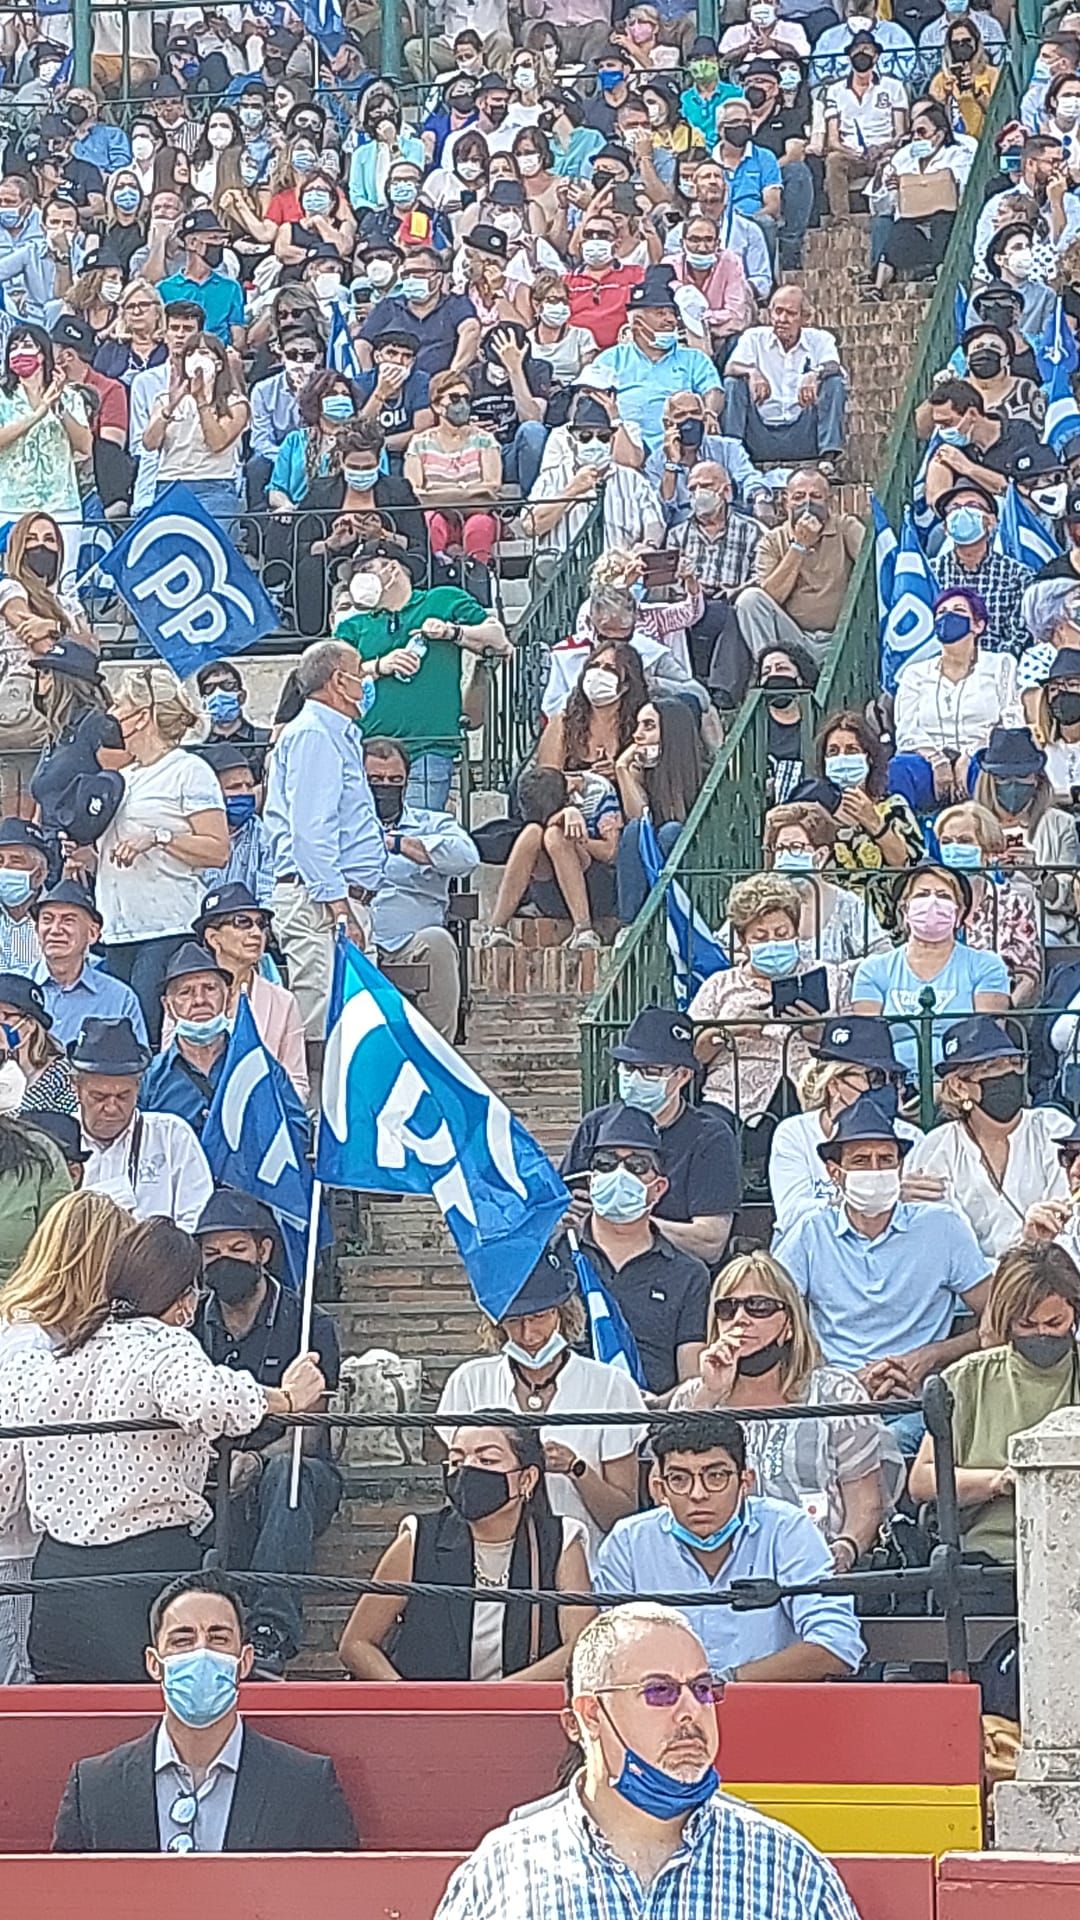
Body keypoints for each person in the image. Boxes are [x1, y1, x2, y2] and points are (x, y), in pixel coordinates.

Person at [0, 1217, 326, 1684]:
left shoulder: (54, 1356)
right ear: (184, 1298)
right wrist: (287, 1397)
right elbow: (212, 1401)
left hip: (57, 1576)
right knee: (151, 1723)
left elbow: (7, 1469)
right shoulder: (163, 1347)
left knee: (68, 1723)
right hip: (145, 1569)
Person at [434, 1602, 863, 1919]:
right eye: (660, 1691)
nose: (690, 1712)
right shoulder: (505, 1869)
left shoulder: (784, 1865)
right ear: (589, 1716)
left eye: (702, 1689)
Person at [52, 1570, 359, 1849]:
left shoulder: (305, 1785)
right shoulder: (94, 1788)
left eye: (219, 1638)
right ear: (154, 1664)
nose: (202, 1652)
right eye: (182, 1640)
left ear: (245, 1661)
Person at [773, 1092, 991, 1449]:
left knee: (890, 1442)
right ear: (835, 1172)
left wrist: (931, 1356)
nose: (875, 1170)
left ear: (900, 1167)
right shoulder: (810, 1231)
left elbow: (1000, 1316)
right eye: (861, 1161)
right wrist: (841, 1380)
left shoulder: (942, 1226)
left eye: (885, 1160)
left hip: (919, 1402)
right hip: (834, 1402)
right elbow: (770, 1319)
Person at [192, 1191, 341, 1677]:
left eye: (236, 1250)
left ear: (263, 1251)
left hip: (291, 1466)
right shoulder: (189, 1326)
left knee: (287, 1473)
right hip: (208, 1471)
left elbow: (314, 1430)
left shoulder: (306, 1323)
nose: (223, 1263)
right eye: (211, 1254)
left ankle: (269, 1632)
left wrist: (254, 1461)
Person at [596, 1414, 864, 1678]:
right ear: (660, 1488)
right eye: (679, 1479)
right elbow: (611, 1655)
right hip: (661, 1710)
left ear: (746, 1481)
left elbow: (837, 1645)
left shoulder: (787, 1529)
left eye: (716, 1477)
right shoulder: (628, 1543)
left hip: (769, 1707)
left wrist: (728, 1683)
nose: (698, 1494)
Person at [437, 1236, 646, 1563]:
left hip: (588, 1564)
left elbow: (622, 1516)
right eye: (515, 1321)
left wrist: (576, 1469)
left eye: (540, 1317)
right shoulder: (469, 1381)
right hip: (491, 1564)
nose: (529, 1335)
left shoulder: (611, 1387)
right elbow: (457, 1494)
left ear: (564, 1314)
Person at [339, 1415, 595, 1681]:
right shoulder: (420, 1538)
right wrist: (409, 1700)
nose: (468, 1470)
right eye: (457, 1460)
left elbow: (581, 1647)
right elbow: (357, 1644)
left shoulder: (561, 1540)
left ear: (527, 1479)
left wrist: (499, 1697)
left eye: (487, 1461)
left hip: (517, 1715)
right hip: (430, 1714)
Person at [0, 1189, 127, 1684]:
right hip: (12, 1554)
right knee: (15, 1686)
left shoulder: (40, 1337)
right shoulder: (28, 1345)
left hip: (29, 1549)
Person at [909, 1243, 1080, 1565]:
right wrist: (997, 1482)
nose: (1042, 1333)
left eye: (1054, 1322)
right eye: (1027, 1326)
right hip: (988, 1559)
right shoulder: (965, 1379)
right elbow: (921, 1480)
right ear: (1006, 1319)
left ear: (1074, 1311)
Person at [95, 666, 229, 1046]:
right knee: (121, 1038)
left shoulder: (189, 770)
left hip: (167, 926)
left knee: (149, 1034)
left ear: (142, 715)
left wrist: (159, 836)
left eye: (121, 704)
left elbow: (218, 849)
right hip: (117, 927)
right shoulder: (125, 775)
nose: (113, 713)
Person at [263, 640, 387, 1040]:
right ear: (339, 680)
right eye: (360, 673)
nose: (366, 681)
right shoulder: (313, 734)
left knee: (356, 1026)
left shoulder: (337, 734)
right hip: (322, 904)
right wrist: (339, 908)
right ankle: (315, 1103)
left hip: (343, 900)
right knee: (321, 1024)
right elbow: (310, 830)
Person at [339, 544, 512, 812]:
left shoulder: (443, 600)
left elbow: (498, 639)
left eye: (365, 569)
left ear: (392, 567)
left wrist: (452, 632)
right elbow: (334, 676)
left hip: (430, 746)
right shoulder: (352, 625)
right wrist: (379, 665)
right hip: (369, 750)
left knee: (417, 833)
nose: (357, 580)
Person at [563, 1008, 740, 1268]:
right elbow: (558, 1204)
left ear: (682, 1075)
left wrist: (626, 1220)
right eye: (628, 1067)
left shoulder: (710, 1137)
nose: (635, 1078)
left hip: (676, 1280)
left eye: (651, 1071)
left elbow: (711, 1242)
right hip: (595, 1271)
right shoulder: (596, 1125)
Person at [906, 1018, 1072, 1260]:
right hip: (968, 1285)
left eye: (1014, 1064)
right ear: (958, 1086)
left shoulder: (1052, 1127)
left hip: (1049, 1276)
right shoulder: (937, 1147)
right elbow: (944, 1239)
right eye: (992, 1068)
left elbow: (1066, 1211)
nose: (1008, 1074)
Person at [574, 1108, 709, 1399]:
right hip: (562, 1424)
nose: (619, 1174)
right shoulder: (556, 1258)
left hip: (653, 1426)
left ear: (658, 1188)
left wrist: (654, 1408)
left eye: (636, 1165)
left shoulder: (688, 1274)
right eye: (606, 1163)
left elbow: (692, 1380)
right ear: (591, 1180)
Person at [689, 872, 839, 1120]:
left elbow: (854, 1046)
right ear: (743, 941)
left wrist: (819, 1033)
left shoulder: (830, 977)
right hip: (732, 1100)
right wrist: (728, 1030)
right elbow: (691, 1057)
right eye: (760, 937)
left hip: (813, 1098)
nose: (772, 943)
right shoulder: (719, 985)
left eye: (781, 934)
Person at [362, 737, 479, 1041]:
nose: (385, 786)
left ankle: (439, 1055)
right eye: (375, 780)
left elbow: (467, 857)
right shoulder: (340, 826)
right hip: (354, 939)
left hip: (409, 945)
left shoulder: (432, 823)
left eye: (394, 780)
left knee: (438, 942)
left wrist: (402, 844)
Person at [850, 861, 1010, 1079]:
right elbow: (867, 1044)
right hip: (892, 1083)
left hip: (962, 1082)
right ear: (905, 909)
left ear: (959, 913)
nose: (932, 902)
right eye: (922, 894)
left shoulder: (987, 965)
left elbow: (986, 1041)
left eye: (944, 896)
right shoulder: (873, 969)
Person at [141, 942, 307, 1144]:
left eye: (210, 988)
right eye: (186, 992)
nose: (199, 1000)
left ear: (228, 998)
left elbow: (297, 1130)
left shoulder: (261, 1066)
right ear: (168, 1006)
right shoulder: (151, 1079)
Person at [767, 1015, 917, 1238]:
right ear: (834, 1084)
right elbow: (791, 1216)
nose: (886, 1087)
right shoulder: (795, 1133)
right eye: (875, 1077)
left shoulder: (910, 1136)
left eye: (894, 1078)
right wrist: (871, 1197)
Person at [889, 588, 1023, 813]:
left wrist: (969, 756)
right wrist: (938, 761)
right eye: (941, 612)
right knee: (898, 769)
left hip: (982, 756)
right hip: (928, 760)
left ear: (978, 625)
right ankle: (903, 837)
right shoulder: (914, 673)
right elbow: (906, 731)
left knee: (987, 772)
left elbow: (1012, 720)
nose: (948, 616)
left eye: (958, 610)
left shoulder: (1001, 664)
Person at [72, 1017, 213, 1231]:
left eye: (123, 1096)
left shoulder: (172, 1136)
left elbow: (196, 1216)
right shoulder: (57, 1140)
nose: (111, 1108)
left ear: (138, 1087)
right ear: (76, 1087)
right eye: (99, 1097)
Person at [736, 468, 865, 671]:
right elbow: (770, 597)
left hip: (843, 637)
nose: (807, 503)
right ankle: (774, 671)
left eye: (815, 496)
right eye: (798, 497)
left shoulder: (846, 527)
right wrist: (799, 546)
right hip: (792, 639)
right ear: (786, 502)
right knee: (749, 600)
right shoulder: (772, 540)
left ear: (829, 501)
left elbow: (875, 566)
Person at [582, 267, 721, 450]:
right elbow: (591, 398)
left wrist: (710, 412)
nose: (671, 320)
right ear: (637, 322)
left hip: (682, 444)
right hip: (623, 446)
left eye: (673, 313)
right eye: (661, 313)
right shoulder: (611, 359)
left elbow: (713, 390)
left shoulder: (694, 358)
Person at [192, 885, 308, 1102]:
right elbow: (172, 1070)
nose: (256, 933)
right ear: (213, 938)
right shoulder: (188, 995)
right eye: (242, 923)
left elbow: (297, 1079)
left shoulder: (283, 1001)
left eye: (261, 924)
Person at [723, 289, 847, 475]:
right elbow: (730, 368)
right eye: (778, 311)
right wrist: (752, 372)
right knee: (733, 383)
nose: (782, 319)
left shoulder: (820, 339)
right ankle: (733, 458)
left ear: (805, 318)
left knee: (833, 382)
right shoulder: (754, 337)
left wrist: (815, 374)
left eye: (790, 313)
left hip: (803, 433)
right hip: (760, 435)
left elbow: (834, 365)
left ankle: (828, 460)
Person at [0, 324, 91, 578]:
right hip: (10, 505)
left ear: (43, 354)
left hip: (61, 505)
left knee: (63, 580)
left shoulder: (70, 395)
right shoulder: (2, 397)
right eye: (14, 347)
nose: (20, 352)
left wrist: (58, 406)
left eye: (28, 345)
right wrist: (38, 412)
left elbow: (85, 445)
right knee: (13, 581)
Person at [974, 725, 1080, 940]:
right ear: (989, 780)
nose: (1012, 784)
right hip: (983, 929)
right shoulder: (969, 822)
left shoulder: (1060, 824)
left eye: (1022, 775)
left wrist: (1037, 874)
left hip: (1046, 931)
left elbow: (1072, 900)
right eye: (1003, 777)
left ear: (1037, 778)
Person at [934, 801, 1041, 1007]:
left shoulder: (1012, 903)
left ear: (988, 850)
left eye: (964, 841)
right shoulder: (930, 903)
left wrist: (998, 1016)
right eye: (946, 842)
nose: (954, 848)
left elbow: (1027, 976)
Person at [613, 699, 709, 924]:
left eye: (648, 726)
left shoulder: (704, 774)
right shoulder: (641, 773)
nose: (638, 735)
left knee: (671, 832)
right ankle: (631, 924)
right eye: (638, 726)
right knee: (635, 830)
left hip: (689, 867)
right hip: (645, 874)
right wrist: (623, 771)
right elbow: (640, 820)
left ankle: (656, 917)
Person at [762, 800, 890, 963]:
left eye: (795, 847)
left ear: (821, 856)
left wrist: (840, 974)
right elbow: (724, 951)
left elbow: (882, 957)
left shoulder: (849, 906)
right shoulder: (760, 901)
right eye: (780, 849)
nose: (784, 856)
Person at [813, 707, 926, 882]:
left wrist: (873, 821)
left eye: (851, 750)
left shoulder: (894, 806)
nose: (842, 757)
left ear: (869, 757)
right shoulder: (815, 810)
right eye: (833, 751)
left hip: (880, 904)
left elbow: (904, 863)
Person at [823, 34, 909, 220]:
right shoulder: (835, 90)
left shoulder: (893, 87)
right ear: (850, 56)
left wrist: (882, 148)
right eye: (857, 50)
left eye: (867, 50)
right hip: (851, 154)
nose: (862, 54)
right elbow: (832, 139)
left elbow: (900, 131)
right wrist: (851, 152)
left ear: (876, 56)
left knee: (894, 161)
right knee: (833, 160)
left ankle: (888, 215)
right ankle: (841, 219)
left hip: (885, 150)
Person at [158, 209, 246, 349]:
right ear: (192, 243)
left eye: (221, 239)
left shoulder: (231, 287)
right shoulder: (164, 288)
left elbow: (238, 334)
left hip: (218, 357)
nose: (220, 244)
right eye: (214, 238)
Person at [195, 663, 271, 781]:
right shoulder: (197, 749)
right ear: (204, 702)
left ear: (242, 696)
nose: (219, 693)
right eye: (209, 687)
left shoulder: (265, 741)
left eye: (228, 685)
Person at [0, 818, 49, 976]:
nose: (4, 868)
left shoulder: (59, 916)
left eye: (16, 861)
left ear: (39, 874)